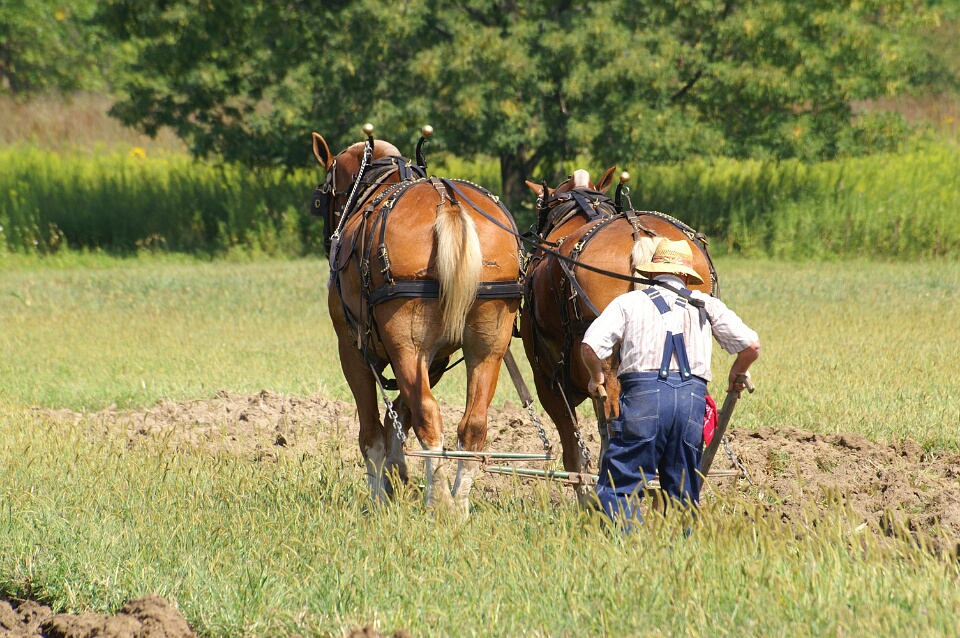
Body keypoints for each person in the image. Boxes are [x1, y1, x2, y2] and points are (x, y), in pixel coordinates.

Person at [581, 239, 760, 527]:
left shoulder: (628, 303)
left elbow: (590, 346)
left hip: (643, 399)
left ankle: (621, 542)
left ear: (652, 273)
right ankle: (679, 547)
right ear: (686, 277)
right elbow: (751, 346)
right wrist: (737, 371)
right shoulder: (706, 304)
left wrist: (596, 377)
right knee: (683, 488)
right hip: (691, 402)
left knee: (621, 482)